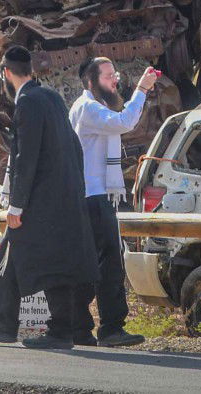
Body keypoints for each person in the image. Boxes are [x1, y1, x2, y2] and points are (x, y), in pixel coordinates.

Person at [0, 45, 98, 350]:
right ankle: (5, 323)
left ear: (6, 74)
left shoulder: (27, 103)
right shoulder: (51, 96)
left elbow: (25, 158)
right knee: (12, 251)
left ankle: (60, 330)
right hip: (65, 196)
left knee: (51, 261)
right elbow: (74, 147)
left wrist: (16, 204)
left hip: (41, 202)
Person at [67, 57, 158, 347]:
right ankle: (109, 327)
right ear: (92, 81)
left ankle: (80, 327)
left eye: (115, 74)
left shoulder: (95, 107)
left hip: (96, 195)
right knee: (108, 265)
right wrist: (142, 89)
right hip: (93, 196)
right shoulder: (89, 109)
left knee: (94, 263)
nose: (115, 80)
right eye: (109, 76)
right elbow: (124, 122)